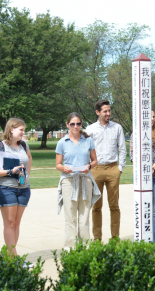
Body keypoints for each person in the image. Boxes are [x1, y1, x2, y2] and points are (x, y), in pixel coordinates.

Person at [0, 118, 33, 255]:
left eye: (23, 130)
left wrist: (26, 174)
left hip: (24, 189)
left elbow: (29, 158)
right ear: (11, 129)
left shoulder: (24, 146)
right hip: (5, 188)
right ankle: (13, 257)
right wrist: (10, 172)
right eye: (21, 130)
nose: (23, 133)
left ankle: (9, 255)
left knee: (17, 223)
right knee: (10, 222)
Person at [56, 113, 101, 248]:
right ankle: (70, 247)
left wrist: (89, 166)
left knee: (84, 216)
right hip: (68, 181)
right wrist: (64, 168)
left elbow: (95, 161)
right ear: (67, 125)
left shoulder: (88, 141)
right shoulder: (62, 142)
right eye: (72, 124)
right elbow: (58, 164)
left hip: (85, 179)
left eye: (78, 124)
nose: (75, 127)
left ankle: (85, 247)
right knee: (70, 217)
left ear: (82, 124)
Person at [86, 99, 126, 241]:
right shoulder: (90, 130)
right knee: (96, 206)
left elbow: (122, 149)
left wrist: (119, 168)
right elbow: (85, 150)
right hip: (96, 170)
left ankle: (115, 238)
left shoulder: (117, 128)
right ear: (98, 112)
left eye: (109, 110)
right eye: (105, 111)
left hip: (112, 169)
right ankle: (97, 239)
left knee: (114, 206)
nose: (108, 113)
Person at [129, 110, 155, 243]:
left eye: (153, 116)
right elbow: (133, 155)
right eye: (148, 117)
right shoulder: (135, 134)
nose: (151, 119)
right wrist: (144, 170)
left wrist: (152, 168)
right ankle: (144, 240)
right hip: (142, 178)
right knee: (143, 208)